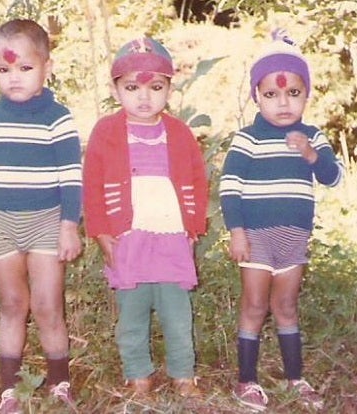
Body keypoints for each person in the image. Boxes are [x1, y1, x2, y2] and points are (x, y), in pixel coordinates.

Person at [0, 19, 82, 414]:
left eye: (25, 68)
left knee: (47, 305)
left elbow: (70, 178)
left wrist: (69, 227)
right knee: (13, 304)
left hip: (47, 222)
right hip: (3, 225)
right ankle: (10, 389)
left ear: (47, 66)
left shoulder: (58, 118)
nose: (14, 78)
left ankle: (60, 381)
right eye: (3, 69)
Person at [219, 30, 343, 412]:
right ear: (257, 96)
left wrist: (310, 153)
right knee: (255, 306)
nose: (283, 103)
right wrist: (237, 232)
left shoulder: (312, 136)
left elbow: (333, 177)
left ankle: (295, 377)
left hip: (294, 237)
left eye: (293, 94)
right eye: (271, 95)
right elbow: (229, 187)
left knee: (286, 306)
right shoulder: (247, 139)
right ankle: (247, 381)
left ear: (306, 95)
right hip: (257, 237)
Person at [83, 37, 208, 398]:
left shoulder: (180, 133)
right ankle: (138, 375)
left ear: (169, 87)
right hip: (128, 239)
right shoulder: (105, 132)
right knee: (132, 314)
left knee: (177, 313)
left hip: (171, 237)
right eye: (132, 87)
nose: (143, 97)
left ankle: (184, 375)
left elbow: (198, 182)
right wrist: (101, 232)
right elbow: (91, 185)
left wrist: (193, 225)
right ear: (116, 89)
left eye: (155, 87)